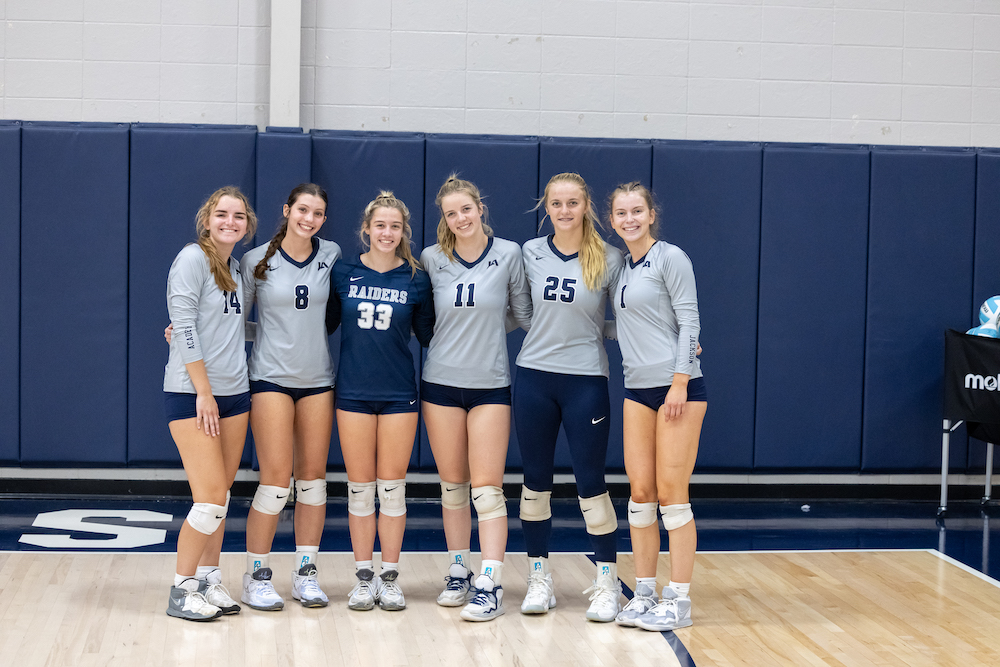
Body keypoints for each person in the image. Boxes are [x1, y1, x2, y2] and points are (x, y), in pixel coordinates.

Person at [513, 172, 625, 622]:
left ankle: (607, 582)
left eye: (572, 203)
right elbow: (522, 311)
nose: (564, 211)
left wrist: (667, 338)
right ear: (546, 207)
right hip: (535, 378)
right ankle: (540, 577)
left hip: (585, 382)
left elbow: (625, 318)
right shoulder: (530, 252)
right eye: (556, 203)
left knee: (591, 485)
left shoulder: (610, 257)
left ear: (585, 206)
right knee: (534, 483)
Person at [419, 176, 531, 622]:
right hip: (440, 384)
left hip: (489, 385)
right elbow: (422, 319)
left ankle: (491, 581)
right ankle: (458, 570)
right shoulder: (431, 258)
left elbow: (524, 316)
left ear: (480, 207)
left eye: (466, 208)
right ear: (444, 219)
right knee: (452, 487)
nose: (460, 218)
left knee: (487, 489)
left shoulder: (509, 253)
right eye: (451, 213)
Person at [326, 191, 434, 612]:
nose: (387, 233)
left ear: (403, 232)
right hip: (352, 392)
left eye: (395, 226)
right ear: (366, 230)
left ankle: (390, 577)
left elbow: (431, 337)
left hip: (398, 394)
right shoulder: (344, 272)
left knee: (391, 491)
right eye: (380, 225)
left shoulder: (416, 278)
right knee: (359, 491)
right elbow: (320, 323)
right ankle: (363, 576)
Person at [606, 182, 706, 632]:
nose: (629, 219)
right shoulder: (623, 269)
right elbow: (629, 326)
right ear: (612, 220)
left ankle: (679, 600)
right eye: (621, 213)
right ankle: (644, 591)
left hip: (675, 388)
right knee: (640, 496)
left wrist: (680, 381)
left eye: (637, 211)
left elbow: (689, 321)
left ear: (650, 215)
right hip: (636, 390)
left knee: (672, 496)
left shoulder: (671, 257)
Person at [238, 183, 341, 611]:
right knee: (276, 482)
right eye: (303, 210)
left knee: (313, 483)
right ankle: (256, 575)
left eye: (317, 213)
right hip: (271, 379)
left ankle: (305, 572)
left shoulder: (331, 254)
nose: (309, 219)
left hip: (318, 379)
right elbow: (234, 319)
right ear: (287, 210)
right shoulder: (254, 260)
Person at [162, 186, 258, 621]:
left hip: (236, 394)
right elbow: (183, 326)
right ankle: (182, 590)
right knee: (208, 501)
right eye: (222, 214)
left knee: (221, 495)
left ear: (247, 225)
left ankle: (208, 579)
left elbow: (229, 330)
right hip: (193, 394)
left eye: (238, 217)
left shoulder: (237, 268)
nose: (230, 222)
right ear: (207, 219)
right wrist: (203, 391)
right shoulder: (192, 259)